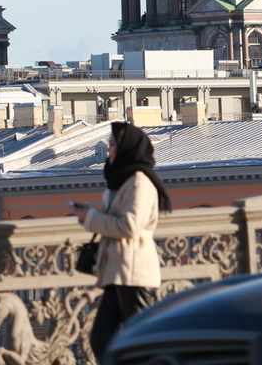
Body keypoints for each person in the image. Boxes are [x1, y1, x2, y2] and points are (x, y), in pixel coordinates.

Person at [71, 122, 171, 361]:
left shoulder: (138, 182)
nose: (108, 150)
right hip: (119, 272)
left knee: (141, 340)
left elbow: (129, 227)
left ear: (127, 148)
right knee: (102, 338)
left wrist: (92, 217)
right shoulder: (123, 180)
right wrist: (91, 214)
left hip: (134, 273)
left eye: (113, 144)